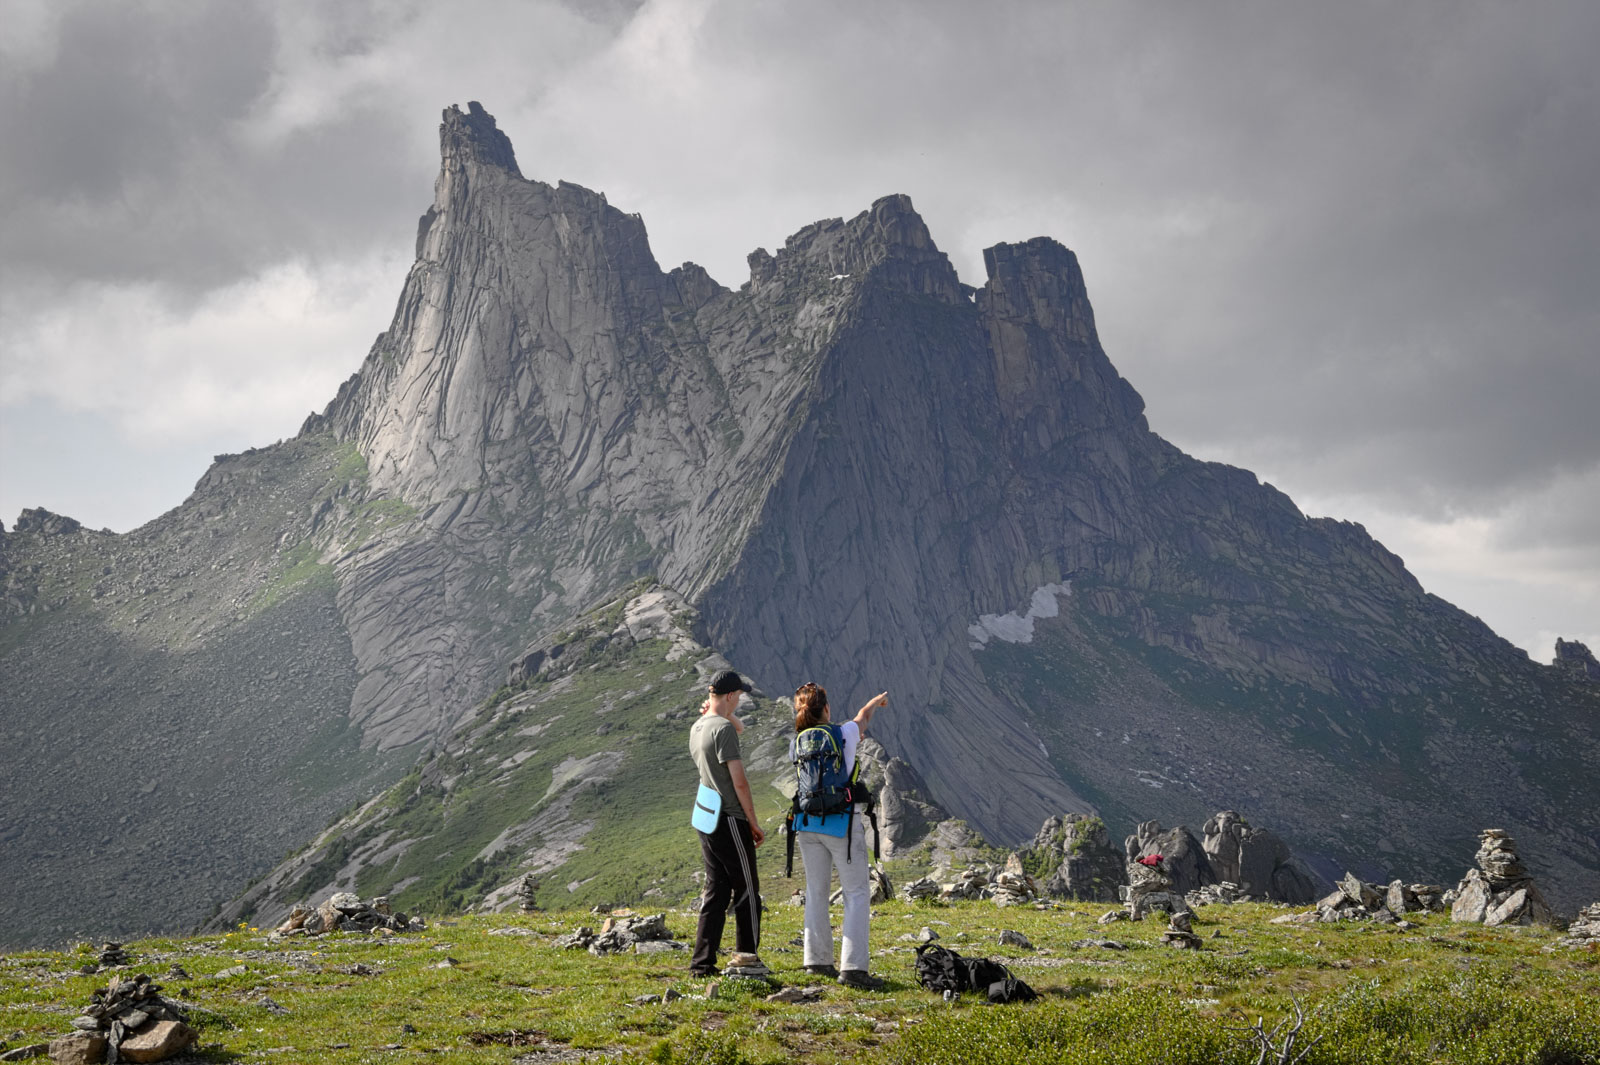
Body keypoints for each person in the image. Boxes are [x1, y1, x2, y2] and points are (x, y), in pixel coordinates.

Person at [791, 681, 889, 991]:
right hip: (841, 825)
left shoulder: (797, 741)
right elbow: (862, 718)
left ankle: (816, 961)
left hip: (807, 824)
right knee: (857, 892)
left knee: (816, 891)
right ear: (827, 709)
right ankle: (854, 968)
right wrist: (875, 701)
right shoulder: (842, 733)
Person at [688, 669, 765, 977]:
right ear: (731, 695)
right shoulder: (723, 729)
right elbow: (740, 782)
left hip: (706, 817)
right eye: (739, 696)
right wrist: (753, 822)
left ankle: (702, 965)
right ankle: (747, 958)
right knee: (747, 889)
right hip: (730, 816)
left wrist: (717, 710)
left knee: (716, 892)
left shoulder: (699, 726)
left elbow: (738, 727)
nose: (740, 701)